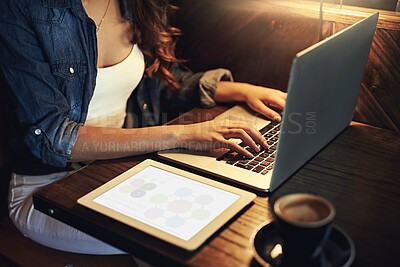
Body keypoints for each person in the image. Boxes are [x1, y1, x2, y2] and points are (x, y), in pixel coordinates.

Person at [0, 0, 287, 257]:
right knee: (185, 242)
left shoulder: (136, 4)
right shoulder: (22, 8)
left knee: (231, 212)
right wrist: (182, 134)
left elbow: (157, 80)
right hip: (47, 191)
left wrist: (239, 90)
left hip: (121, 171)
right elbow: (52, 136)